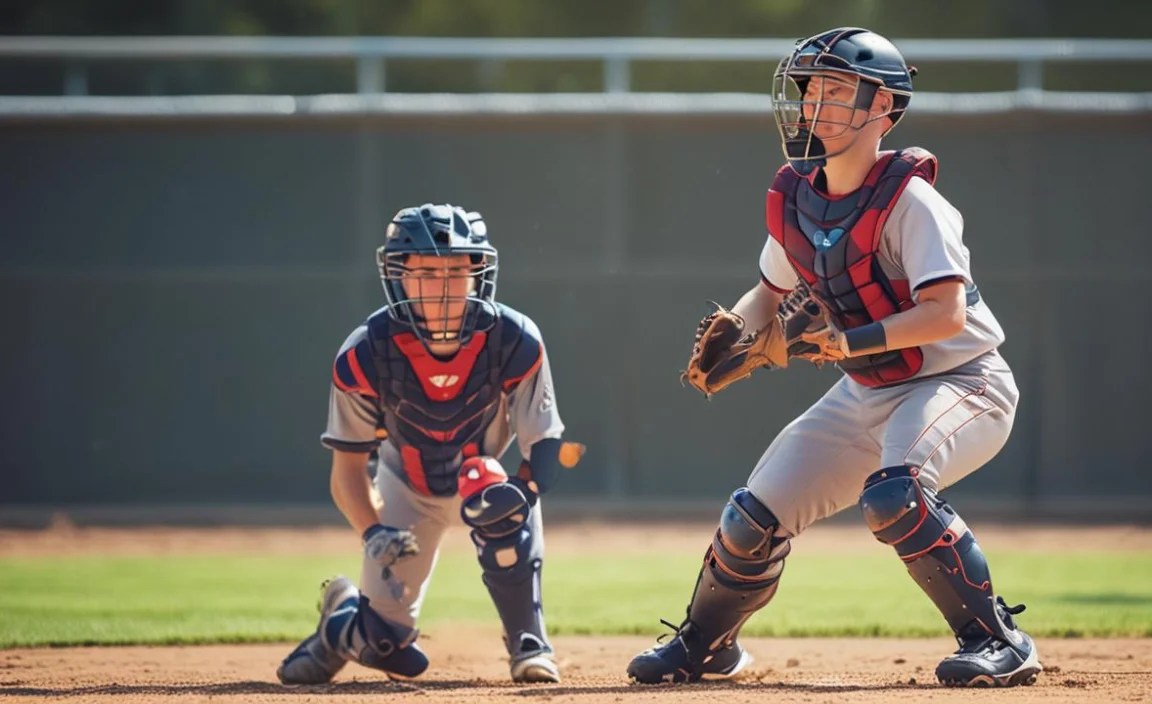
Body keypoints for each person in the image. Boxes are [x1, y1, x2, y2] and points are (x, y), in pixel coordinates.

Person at [627, 27, 1041, 688]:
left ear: (884, 109)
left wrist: (847, 343)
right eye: (812, 89)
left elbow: (946, 315)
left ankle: (998, 640)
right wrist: (738, 331)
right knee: (749, 521)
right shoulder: (797, 196)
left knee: (897, 496)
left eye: (838, 90)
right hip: (868, 390)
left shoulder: (912, 201)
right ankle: (707, 646)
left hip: (963, 382)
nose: (817, 103)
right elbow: (769, 293)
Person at [277, 203, 580, 685]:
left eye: (456, 270)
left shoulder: (514, 338)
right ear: (399, 274)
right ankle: (341, 624)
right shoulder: (364, 352)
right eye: (426, 271)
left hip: (482, 478)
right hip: (406, 485)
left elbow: (544, 443)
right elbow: (348, 470)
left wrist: (520, 501)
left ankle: (529, 640)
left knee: (499, 503)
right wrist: (372, 531)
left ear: (478, 272)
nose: (442, 284)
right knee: (387, 647)